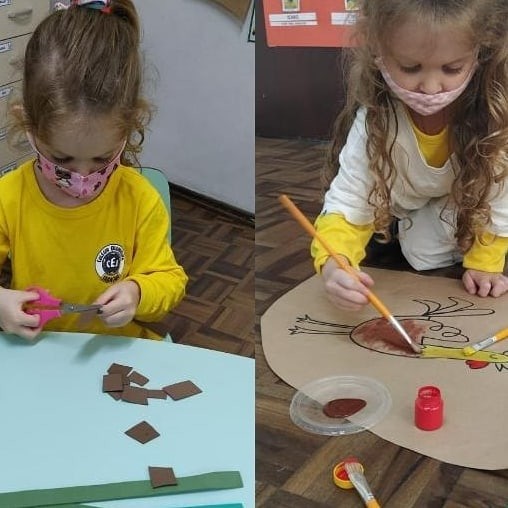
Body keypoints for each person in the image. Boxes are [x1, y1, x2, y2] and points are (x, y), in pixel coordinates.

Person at [0, 0, 187, 340]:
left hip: (114, 347)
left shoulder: (139, 199)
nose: (83, 177)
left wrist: (138, 292)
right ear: (27, 124)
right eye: (62, 159)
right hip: (39, 349)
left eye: (102, 159)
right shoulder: (8, 196)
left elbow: (169, 280)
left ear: (130, 127)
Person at [312, 0, 508, 312]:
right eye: (409, 67)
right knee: (416, 250)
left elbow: (500, 193)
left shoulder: (495, 116)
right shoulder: (375, 121)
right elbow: (349, 201)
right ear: (377, 49)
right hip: (397, 206)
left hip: (461, 199)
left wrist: (486, 263)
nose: (430, 88)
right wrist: (335, 264)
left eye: (452, 68)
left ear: (480, 52)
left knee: (425, 252)